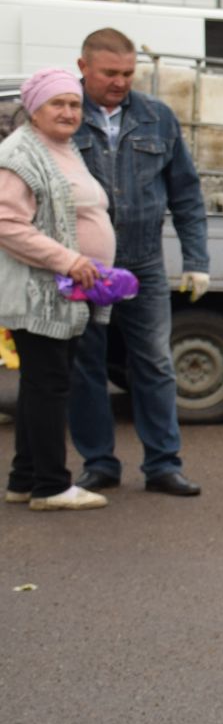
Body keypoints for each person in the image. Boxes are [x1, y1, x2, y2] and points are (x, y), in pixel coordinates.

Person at [67, 27, 207, 498]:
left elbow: (186, 192)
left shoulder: (157, 117)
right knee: (85, 365)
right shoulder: (63, 116)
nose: (121, 81)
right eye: (110, 73)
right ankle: (99, 463)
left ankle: (164, 465)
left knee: (154, 362)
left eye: (128, 73)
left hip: (144, 262)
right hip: (83, 266)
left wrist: (196, 259)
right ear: (83, 66)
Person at [1, 68, 114, 511]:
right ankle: (51, 486)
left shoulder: (59, 147)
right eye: (57, 104)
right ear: (34, 108)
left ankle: (24, 479)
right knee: (48, 387)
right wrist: (69, 260)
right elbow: (8, 224)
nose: (68, 112)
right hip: (40, 293)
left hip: (65, 293)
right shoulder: (20, 154)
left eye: (73, 103)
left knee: (41, 386)